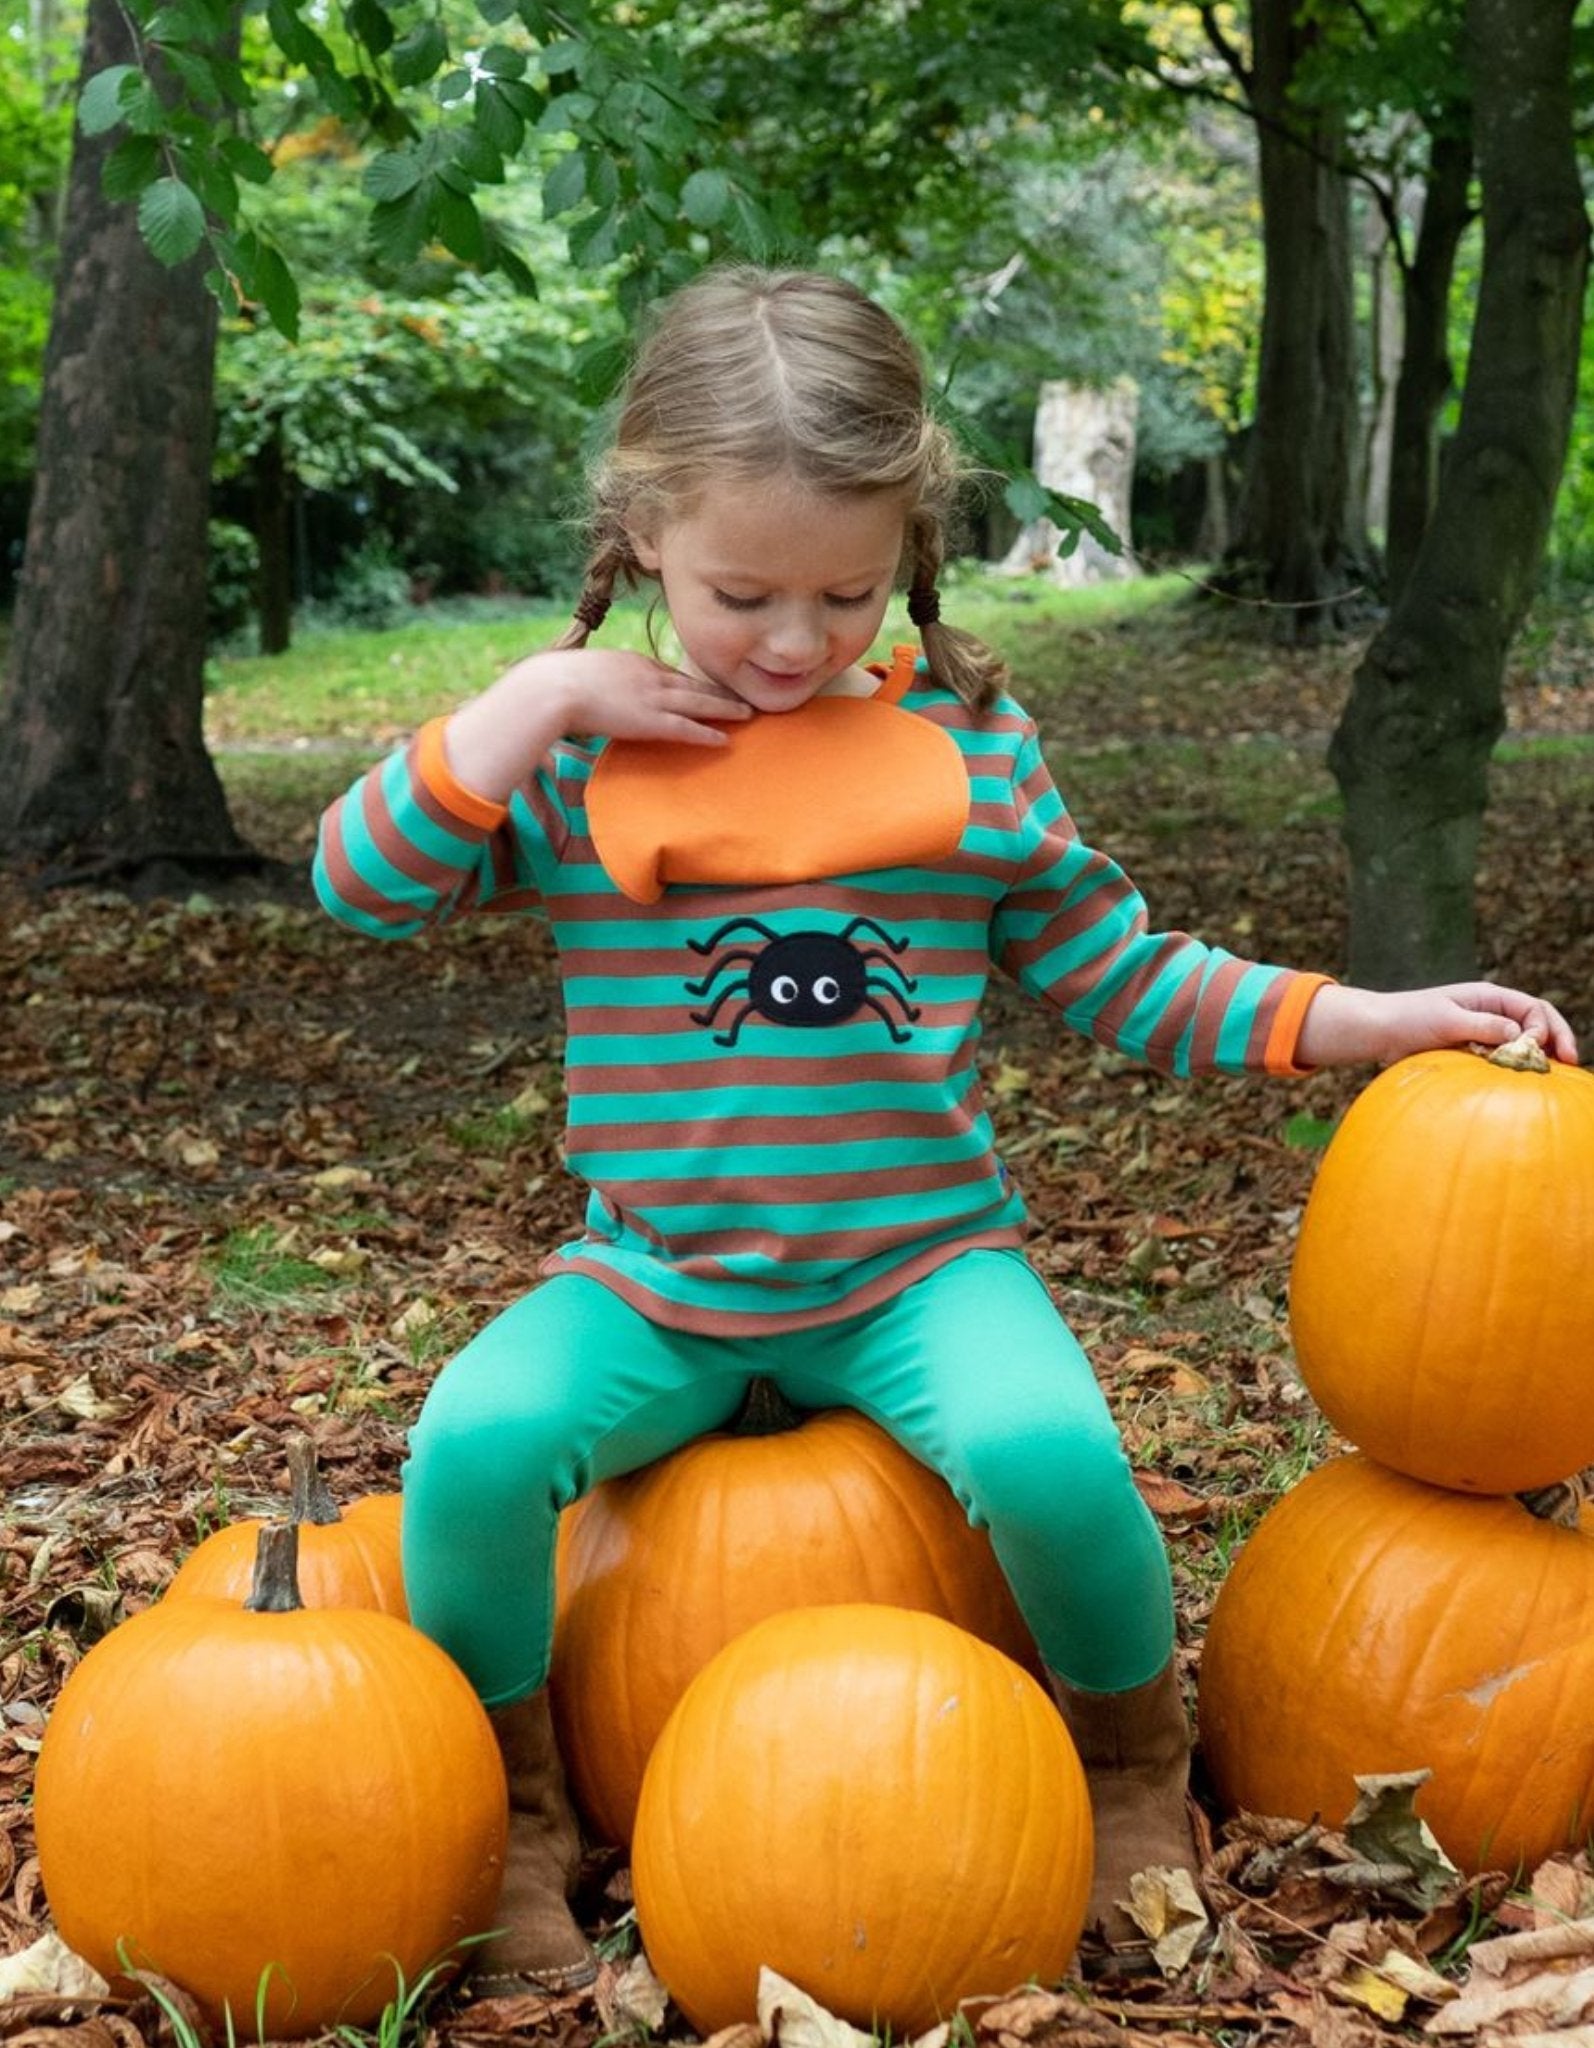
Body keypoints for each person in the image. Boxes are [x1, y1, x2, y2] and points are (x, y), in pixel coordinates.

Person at [314, 266, 1577, 1983]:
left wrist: (1368, 1018)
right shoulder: (576, 749)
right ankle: (521, 1816)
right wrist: (525, 705)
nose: (786, 640)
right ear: (641, 535)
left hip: (919, 1269)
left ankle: (1128, 1764)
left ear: (907, 539)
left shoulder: (964, 745)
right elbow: (360, 889)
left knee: (1048, 1452)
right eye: (737, 590)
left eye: (841, 593)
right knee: (469, 1445)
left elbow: (1128, 971)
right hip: (653, 1280)